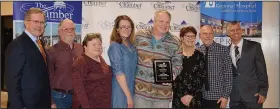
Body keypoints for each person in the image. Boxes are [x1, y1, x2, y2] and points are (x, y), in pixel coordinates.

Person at [133, 10, 183, 108]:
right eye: (161, 21)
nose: (164, 25)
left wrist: (172, 75)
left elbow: (178, 64)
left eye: (167, 22)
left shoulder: (175, 42)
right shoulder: (139, 35)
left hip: (162, 94)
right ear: (154, 21)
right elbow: (130, 57)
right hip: (140, 92)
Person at [5, 8, 51, 108]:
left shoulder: (39, 43)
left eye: (42, 22)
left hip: (41, 102)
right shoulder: (17, 45)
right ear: (26, 23)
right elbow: (12, 83)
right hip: (27, 104)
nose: (39, 25)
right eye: (36, 22)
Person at [227, 21, 269, 108]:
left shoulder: (254, 46)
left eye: (238, 29)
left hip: (253, 96)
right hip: (235, 97)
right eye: (232, 30)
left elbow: (262, 71)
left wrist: (263, 91)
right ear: (228, 33)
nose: (235, 32)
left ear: (241, 31)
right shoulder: (225, 51)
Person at [47, 19, 83, 108]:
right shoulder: (51, 51)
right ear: (59, 32)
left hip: (78, 96)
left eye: (72, 29)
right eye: (66, 29)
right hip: (60, 98)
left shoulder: (81, 48)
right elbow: (48, 77)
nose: (70, 31)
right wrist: (51, 101)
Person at [72, 33, 112, 108]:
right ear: (85, 47)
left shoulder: (101, 59)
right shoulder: (81, 62)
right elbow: (79, 90)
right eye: (94, 44)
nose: (97, 47)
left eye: (99, 44)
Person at [198, 25, 233, 108]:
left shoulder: (223, 50)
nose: (207, 36)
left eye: (210, 33)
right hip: (200, 97)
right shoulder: (197, 51)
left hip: (218, 98)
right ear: (200, 36)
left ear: (213, 35)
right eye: (205, 33)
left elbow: (228, 75)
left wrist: (225, 96)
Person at [172, 26, 206, 108]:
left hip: (194, 98)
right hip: (178, 97)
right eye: (188, 36)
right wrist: (181, 95)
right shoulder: (175, 55)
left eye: (193, 36)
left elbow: (202, 78)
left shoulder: (200, 56)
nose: (190, 39)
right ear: (182, 38)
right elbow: (172, 76)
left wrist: (191, 95)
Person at [108, 15, 138, 108]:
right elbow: (118, 73)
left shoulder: (131, 45)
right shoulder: (115, 46)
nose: (126, 29)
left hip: (132, 87)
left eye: (128, 27)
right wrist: (128, 96)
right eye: (123, 27)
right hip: (121, 89)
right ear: (117, 29)